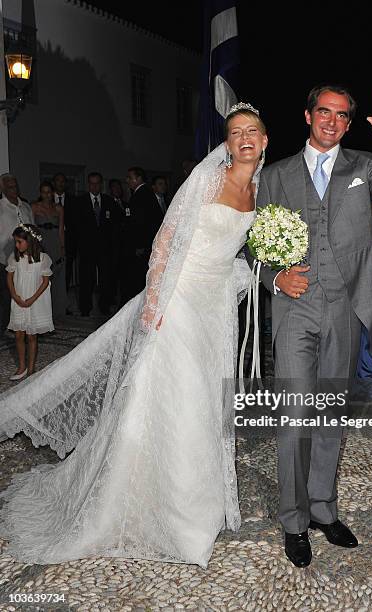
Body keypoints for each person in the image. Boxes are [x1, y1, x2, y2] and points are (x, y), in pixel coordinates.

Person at [0, 103, 266, 568]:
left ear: (263, 141)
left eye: (252, 131)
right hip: (179, 305)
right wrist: (154, 303)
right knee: (180, 398)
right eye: (235, 131)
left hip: (215, 309)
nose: (244, 137)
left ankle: (196, 504)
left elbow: (231, 253)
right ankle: (182, 521)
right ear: (226, 143)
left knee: (205, 399)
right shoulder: (207, 181)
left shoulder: (261, 191)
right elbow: (166, 239)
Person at [249, 84, 372, 568]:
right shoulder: (276, 175)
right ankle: (293, 520)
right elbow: (252, 245)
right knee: (294, 418)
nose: (332, 121)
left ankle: (323, 509)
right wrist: (275, 276)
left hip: (347, 309)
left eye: (342, 116)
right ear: (308, 116)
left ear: (349, 124)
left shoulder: (362, 167)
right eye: (323, 112)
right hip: (295, 310)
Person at [6, 224, 54, 380]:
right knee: (19, 335)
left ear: (30, 241)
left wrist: (32, 299)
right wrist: (14, 296)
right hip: (19, 300)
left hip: (34, 301)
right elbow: (10, 278)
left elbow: (45, 282)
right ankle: (22, 367)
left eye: (20, 241)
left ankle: (31, 369)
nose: (17, 245)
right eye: (15, 242)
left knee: (31, 336)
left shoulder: (43, 258)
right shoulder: (15, 258)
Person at [74, 173, 121, 316]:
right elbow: (76, 226)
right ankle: (85, 308)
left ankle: (104, 306)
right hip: (87, 248)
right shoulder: (80, 202)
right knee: (86, 279)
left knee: (106, 279)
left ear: (101, 184)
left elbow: (114, 225)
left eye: (97, 183)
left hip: (105, 248)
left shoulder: (108, 201)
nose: (94, 186)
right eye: (92, 183)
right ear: (88, 184)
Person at [0, 174, 34, 334]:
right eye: (10, 187)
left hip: (26, 259)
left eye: (15, 186)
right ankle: (4, 328)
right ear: (3, 189)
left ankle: (22, 327)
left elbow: (33, 230)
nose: (14, 189)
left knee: (25, 293)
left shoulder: (26, 206)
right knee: (6, 297)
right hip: (5, 258)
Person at [126, 167, 165, 296]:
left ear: (138, 179)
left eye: (130, 177)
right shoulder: (147, 193)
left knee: (138, 278)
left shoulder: (141, 194)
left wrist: (139, 245)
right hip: (147, 243)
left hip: (142, 246)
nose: (127, 180)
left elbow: (141, 222)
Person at [32, 181, 67, 318]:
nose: (46, 195)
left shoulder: (58, 208)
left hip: (55, 243)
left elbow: (61, 230)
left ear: (52, 193)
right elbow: (31, 228)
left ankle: (57, 311)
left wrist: (63, 247)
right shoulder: (34, 207)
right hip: (40, 243)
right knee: (41, 278)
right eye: (43, 192)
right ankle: (42, 313)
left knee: (57, 277)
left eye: (49, 192)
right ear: (40, 193)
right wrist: (36, 245)